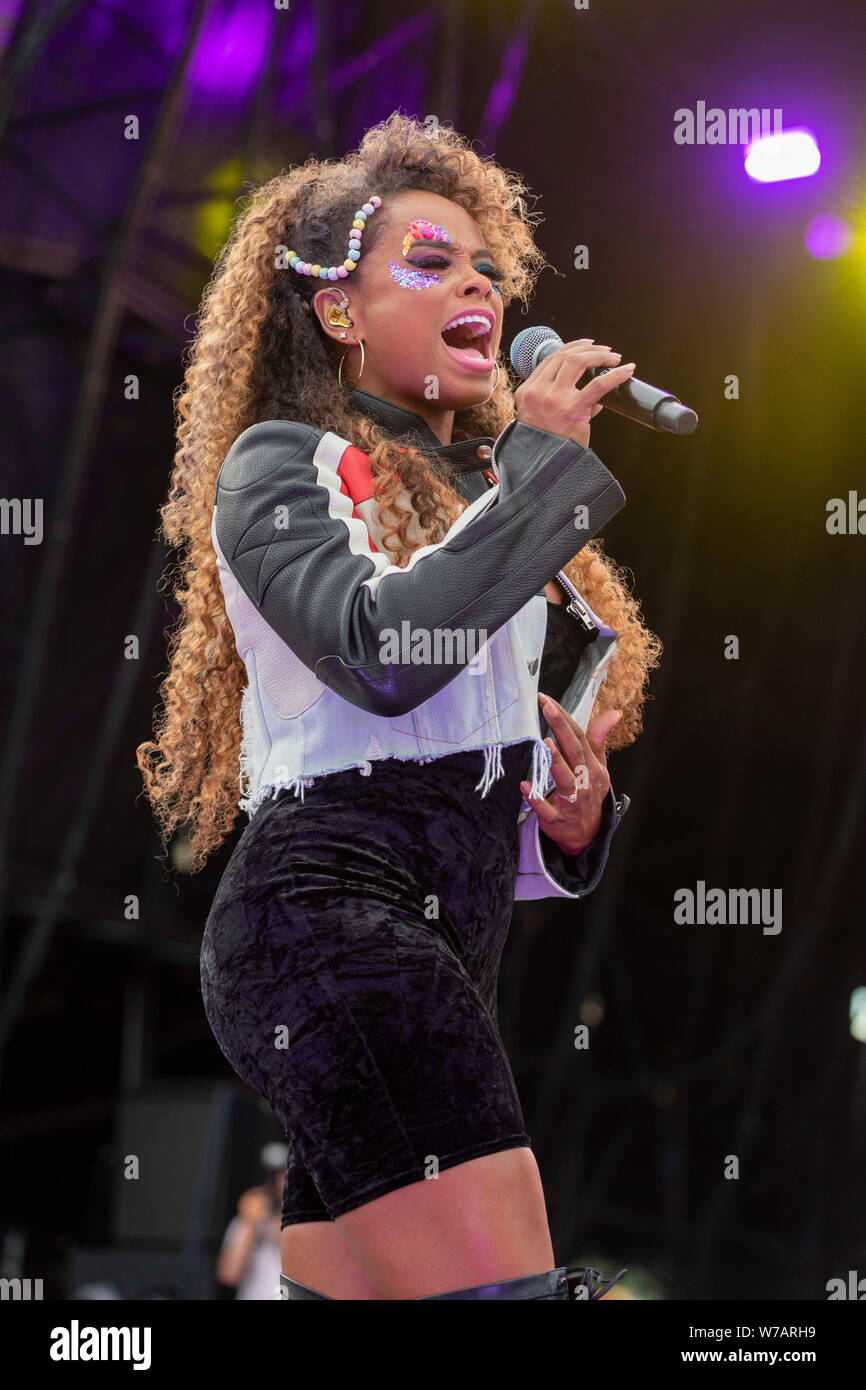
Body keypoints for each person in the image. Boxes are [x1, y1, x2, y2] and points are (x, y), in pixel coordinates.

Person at [137, 112, 661, 1301]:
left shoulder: (482, 499)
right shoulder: (281, 463)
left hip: (428, 941)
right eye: (428, 261)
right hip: (325, 923)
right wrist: (534, 473)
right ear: (337, 312)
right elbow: (378, 654)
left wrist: (568, 829)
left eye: (485, 265)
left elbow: (460, 768)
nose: (474, 280)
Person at [216, 1146, 286, 1301]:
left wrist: (270, 1222)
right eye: (280, 1175)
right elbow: (229, 1275)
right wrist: (251, 1222)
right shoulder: (247, 1219)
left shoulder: (308, 1223)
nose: (285, 1180)